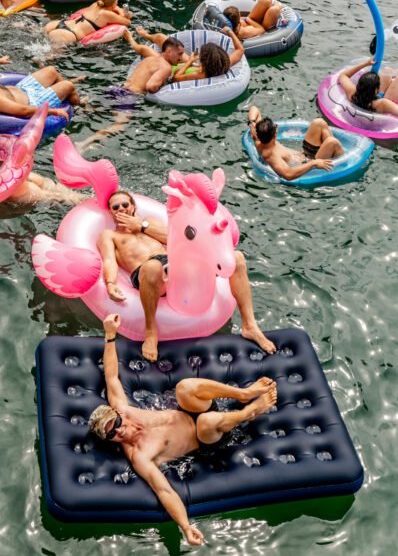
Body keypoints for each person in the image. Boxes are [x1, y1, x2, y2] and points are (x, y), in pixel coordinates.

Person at [87, 313, 278, 545]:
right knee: (205, 423)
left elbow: (112, 377)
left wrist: (109, 335)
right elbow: (164, 491)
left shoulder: (124, 410)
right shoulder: (139, 456)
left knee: (184, 387)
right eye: (111, 434)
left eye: (115, 424)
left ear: (117, 415)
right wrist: (186, 527)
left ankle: (244, 393)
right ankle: (249, 412)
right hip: (207, 438)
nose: (118, 431)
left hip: (193, 411)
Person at [98, 190, 277, 361]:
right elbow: (109, 260)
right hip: (148, 272)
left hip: (175, 265)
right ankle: (151, 333)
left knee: (236, 258)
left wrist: (142, 226)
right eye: (115, 207)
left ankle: (250, 325)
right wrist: (110, 283)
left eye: (124, 204)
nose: (121, 209)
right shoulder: (109, 235)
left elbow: (176, 238)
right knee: (153, 267)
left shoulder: (149, 222)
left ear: (133, 206)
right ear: (111, 212)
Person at [0, 56, 84, 121]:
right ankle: (79, 108)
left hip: (22, 88)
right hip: (34, 101)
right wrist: (54, 111)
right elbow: (24, 111)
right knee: (69, 85)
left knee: (51, 70)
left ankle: (63, 91)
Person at [124, 26, 245, 84]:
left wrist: (190, 62)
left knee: (145, 50)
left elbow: (176, 77)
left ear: (205, 60)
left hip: (169, 69)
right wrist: (230, 32)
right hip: (193, 64)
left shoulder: (199, 75)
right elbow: (240, 49)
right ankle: (146, 35)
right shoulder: (225, 63)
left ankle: (131, 40)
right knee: (162, 38)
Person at [247, 106, 339, 180]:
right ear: (275, 135)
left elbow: (254, 108)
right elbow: (288, 175)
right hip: (308, 166)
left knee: (319, 123)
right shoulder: (271, 155)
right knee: (332, 142)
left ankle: (334, 153)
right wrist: (314, 163)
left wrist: (252, 123)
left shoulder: (258, 138)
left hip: (305, 155)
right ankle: (341, 161)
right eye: (275, 126)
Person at [44, 0, 132, 45]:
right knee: (49, 57)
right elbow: (127, 22)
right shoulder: (107, 14)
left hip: (59, 24)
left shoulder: (95, 4)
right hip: (69, 34)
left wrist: (114, 7)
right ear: (113, 4)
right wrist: (121, 11)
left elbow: (109, 6)